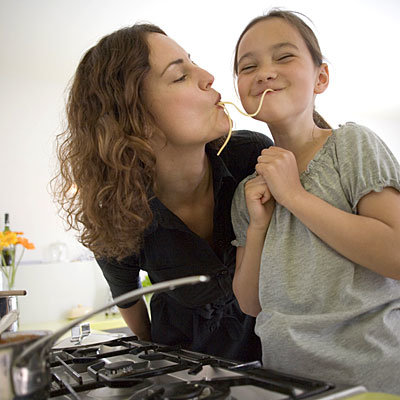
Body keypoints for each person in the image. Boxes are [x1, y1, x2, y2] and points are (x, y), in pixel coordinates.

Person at [52, 23, 273, 362]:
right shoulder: (115, 213)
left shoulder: (251, 157)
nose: (209, 76)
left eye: (193, 63)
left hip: (277, 369)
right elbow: (129, 302)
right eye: (180, 76)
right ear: (133, 118)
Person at [230, 9, 400, 393]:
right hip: (287, 382)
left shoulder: (352, 145)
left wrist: (294, 195)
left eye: (284, 56)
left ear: (320, 78)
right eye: (248, 66)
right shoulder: (249, 193)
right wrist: (258, 226)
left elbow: (396, 255)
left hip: (373, 379)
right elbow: (250, 304)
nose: (265, 72)